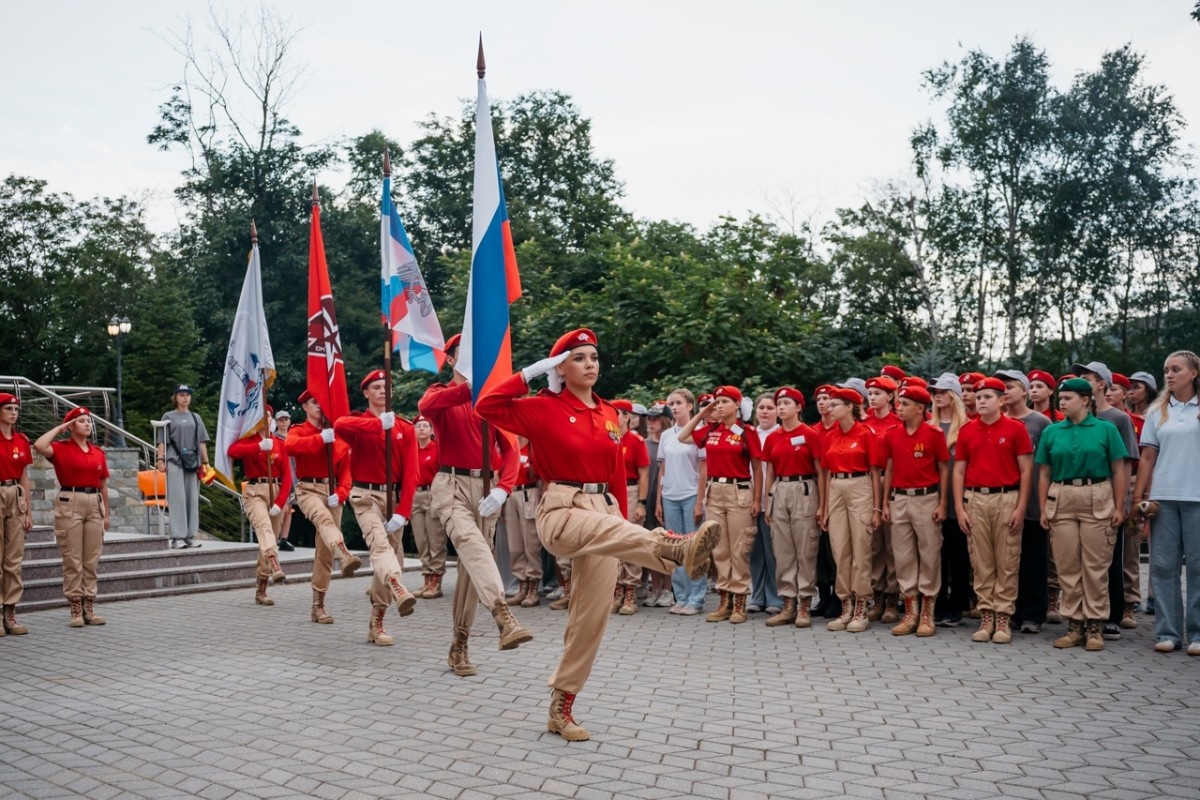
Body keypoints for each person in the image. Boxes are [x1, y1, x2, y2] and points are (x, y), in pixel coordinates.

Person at [475, 328, 720, 740]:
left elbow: (613, 476)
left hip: (605, 510)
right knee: (621, 541)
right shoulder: (543, 407)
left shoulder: (608, 413)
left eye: (593, 357)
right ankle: (672, 547)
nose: (590, 364)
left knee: (590, 618)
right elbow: (486, 406)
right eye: (578, 358)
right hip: (562, 508)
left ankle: (561, 707)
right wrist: (529, 374)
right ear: (560, 368)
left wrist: (624, 527)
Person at [417, 336, 531, 677]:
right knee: (471, 544)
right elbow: (426, 407)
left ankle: (460, 643)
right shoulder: (440, 393)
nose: (471, 358)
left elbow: (510, 449)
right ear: (451, 360)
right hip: (451, 484)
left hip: (485, 488)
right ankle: (502, 614)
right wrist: (472, 388)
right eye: (462, 354)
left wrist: (504, 488)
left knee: (471, 569)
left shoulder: (491, 402)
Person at [1035, 377, 1128, 651]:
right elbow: (1044, 473)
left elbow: (1119, 470)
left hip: (1097, 495)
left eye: (1068, 398)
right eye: (1061, 399)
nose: (1062, 403)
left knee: (1095, 565)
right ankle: (1074, 624)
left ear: (1086, 400)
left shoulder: (1106, 429)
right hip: (1061, 496)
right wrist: (1043, 508)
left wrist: (1119, 506)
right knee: (1067, 565)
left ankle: (1095, 624)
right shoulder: (1052, 431)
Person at [334, 370, 419, 646]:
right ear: (366, 393)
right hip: (365, 496)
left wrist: (403, 512)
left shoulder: (405, 428)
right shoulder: (359, 423)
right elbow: (339, 425)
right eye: (377, 387)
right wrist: (377, 425)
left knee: (393, 559)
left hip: (392, 498)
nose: (383, 391)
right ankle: (396, 586)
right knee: (380, 547)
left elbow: (412, 474)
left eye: (386, 386)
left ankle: (376, 621)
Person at [953, 377, 1033, 644]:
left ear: (1002, 400)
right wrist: (960, 508)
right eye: (979, 397)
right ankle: (986, 614)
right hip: (975, 499)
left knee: (1007, 560)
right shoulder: (967, 430)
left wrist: (1021, 508)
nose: (981, 401)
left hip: (1006, 498)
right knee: (981, 561)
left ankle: (1003, 617)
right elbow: (959, 471)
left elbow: (1026, 470)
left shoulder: (1015, 428)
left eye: (988, 397)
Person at [1131, 351, 1200, 655]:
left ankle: (1197, 634)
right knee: (1162, 567)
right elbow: (1147, 456)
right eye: (1166, 370)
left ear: (1194, 373)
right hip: (1164, 498)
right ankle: (1168, 633)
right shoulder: (1157, 411)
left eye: (1176, 369)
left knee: (1198, 567)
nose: (1169, 375)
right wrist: (1138, 497)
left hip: (1197, 497)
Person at [677, 385, 763, 624]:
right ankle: (725, 601)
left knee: (739, 547)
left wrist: (757, 499)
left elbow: (757, 467)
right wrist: (702, 413)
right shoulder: (711, 430)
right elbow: (683, 436)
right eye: (717, 401)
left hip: (739, 491)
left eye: (725, 401)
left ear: (737, 405)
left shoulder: (747, 432)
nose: (720, 405)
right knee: (720, 548)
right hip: (714, 491)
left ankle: (739, 601)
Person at [1070, 361, 1140, 642]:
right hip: (1078, 497)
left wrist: (1122, 503)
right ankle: (1080, 616)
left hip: (1108, 497)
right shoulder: (1073, 417)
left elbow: (1126, 463)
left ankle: (1110, 616)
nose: (1082, 381)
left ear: (1101, 384)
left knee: (1109, 560)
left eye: (1087, 377)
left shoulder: (1118, 419)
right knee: (1078, 558)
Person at [285, 390, 361, 624]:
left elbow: (346, 472)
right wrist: (320, 439)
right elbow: (290, 446)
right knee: (323, 519)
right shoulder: (299, 430)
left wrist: (341, 494)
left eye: (321, 402)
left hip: (331, 491)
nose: (318, 406)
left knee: (324, 552)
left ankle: (318, 604)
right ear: (305, 407)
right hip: (308, 489)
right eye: (313, 402)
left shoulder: (336, 433)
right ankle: (344, 552)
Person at [880, 385, 950, 637]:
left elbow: (944, 469)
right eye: (899, 403)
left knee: (929, 554)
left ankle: (928, 613)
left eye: (905, 404)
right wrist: (885, 502)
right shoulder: (892, 434)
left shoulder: (934, 434)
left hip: (926, 498)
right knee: (903, 556)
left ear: (920, 408)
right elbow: (889, 468)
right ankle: (910, 612)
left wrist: (942, 503)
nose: (899, 408)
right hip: (899, 498)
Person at [33, 407, 110, 627]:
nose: (87, 424)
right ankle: (75, 606)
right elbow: (39, 445)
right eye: (81, 421)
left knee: (91, 559)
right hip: (70, 501)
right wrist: (61, 428)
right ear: (71, 426)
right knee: (72, 558)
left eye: (89, 421)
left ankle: (89, 606)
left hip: (94, 503)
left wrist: (106, 513)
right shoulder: (61, 448)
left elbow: (104, 484)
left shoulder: (98, 452)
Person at [820, 385, 882, 633]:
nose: (829, 408)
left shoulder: (865, 433)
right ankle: (845, 606)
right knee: (840, 549)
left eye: (834, 404)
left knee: (861, 549)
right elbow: (826, 473)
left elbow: (875, 472)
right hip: (836, 486)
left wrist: (877, 508)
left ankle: (861, 607)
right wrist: (825, 506)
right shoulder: (830, 435)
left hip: (860, 486)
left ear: (849, 407)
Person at [760, 387, 824, 628]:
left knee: (805, 548)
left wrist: (822, 504)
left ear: (798, 407)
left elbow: (820, 471)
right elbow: (770, 472)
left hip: (804, 488)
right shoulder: (773, 437)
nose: (781, 407)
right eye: (779, 403)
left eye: (787, 403)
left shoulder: (809, 434)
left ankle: (805, 603)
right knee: (782, 549)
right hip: (780, 489)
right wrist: (768, 502)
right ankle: (788, 604)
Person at [995, 369, 1052, 635]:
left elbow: (1048, 464)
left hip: (1033, 505)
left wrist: (1046, 502)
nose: (1005, 391)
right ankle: (1011, 612)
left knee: (1035, 559)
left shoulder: (1040, 423)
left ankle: (1034, 614)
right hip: (1004, 503)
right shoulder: (996, 421)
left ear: (1024, 390)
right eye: (1002, 387)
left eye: (1010, 386)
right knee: (1008, 562)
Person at [227, 408, 294, 606]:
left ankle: (261, 589)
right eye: (263, 414)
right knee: (265, 530)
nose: (266, 418)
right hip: (255, 490)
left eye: (269, 415)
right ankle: (274, 561)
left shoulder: (280, 443)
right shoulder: (250, 439)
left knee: (269, 538)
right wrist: (258, 446)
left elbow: (288, 477)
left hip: (276, 492)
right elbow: (232, 451)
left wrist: (280, 502)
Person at [656, 389, 708, 616]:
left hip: (690, 495)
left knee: (695, 548)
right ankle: (681, 596)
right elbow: (662, 469)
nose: (674, 407)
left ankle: (696, 598)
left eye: (678, 403)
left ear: (689, 406)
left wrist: (699, 501)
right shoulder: (666, 436)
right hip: (670, 496)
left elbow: (704, 470)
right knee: (676, 549)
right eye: (671, 404)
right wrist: (659, 501)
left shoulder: (699, 433)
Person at [929, 374, 972, 627]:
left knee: (958, 553)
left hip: (960, 500)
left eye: (943, 391)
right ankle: (938, 603)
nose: (937, 395)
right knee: (936, 554)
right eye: (934, 392)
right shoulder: (929, 426)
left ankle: (957, 605)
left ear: (954, 396)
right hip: (931, 498)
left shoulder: (967, 427)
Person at [862, 377, 903, 623]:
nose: (872, 397)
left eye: (878, 393)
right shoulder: (864, 425)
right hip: (868, 484)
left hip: (892, 483)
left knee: (893, 545)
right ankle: (876, 597)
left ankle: (892, 599)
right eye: (870, 393)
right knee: (874, 545)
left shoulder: (898, 424)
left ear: (890, 397)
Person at [609, 399, 651, 616]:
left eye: (617, 413)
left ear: (627, 417)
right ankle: (617, 589)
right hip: (611, 492)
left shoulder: (636, 441)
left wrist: (642, 503)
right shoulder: (608, 438)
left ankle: (631, 592)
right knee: (614, 542)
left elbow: (644, 475)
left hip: (631, 490)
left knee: (631, 541)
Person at [157, 384, 210, 549]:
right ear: (176, 397)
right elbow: (162, 440)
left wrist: (206, 463)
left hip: (192, 462)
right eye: (181, 394)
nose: (185, 397)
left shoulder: (196, 417)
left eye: (187, 395)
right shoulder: (168, 416)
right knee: (177, 498)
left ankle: (190, 535)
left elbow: (201, 441)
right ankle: (177, 536)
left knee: (192, 498)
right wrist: (160, 459)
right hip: (174, 460)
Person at [0, 393, 33, 636]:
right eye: (8, 408)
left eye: (16, 409)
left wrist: (28, 511)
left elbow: (24, 476)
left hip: (15, 494)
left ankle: (9, 613)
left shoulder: (22, 440)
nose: (14, 413)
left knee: (13, 559)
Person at [749, 393, 782, 615]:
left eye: (770, 408)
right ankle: (757, 595)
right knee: (755, 551)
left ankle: (775, 597)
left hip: (773, 499)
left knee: (773, 552)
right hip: (751, 499)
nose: (765, 411)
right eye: (761, 407)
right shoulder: (750, 434)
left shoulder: (780, 434)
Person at [410, 414, 448, 600]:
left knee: (436, 539)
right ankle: (426, 577)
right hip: (415, 495)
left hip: (433, 494)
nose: (422, 429)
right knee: (421, 539)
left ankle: (436, 580)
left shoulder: (438, 449)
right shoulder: (410, 451)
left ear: (432, 430)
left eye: (425, 425)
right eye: (418, 426)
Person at [642, 404, 675, 607]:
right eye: (649, 418)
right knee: (651, 546)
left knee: (667, 545)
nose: (651, 422)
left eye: (655, 418)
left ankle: (667, 589)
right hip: (647, 500)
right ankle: (654, 587)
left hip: (666, 498)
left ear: (665, 420)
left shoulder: (671, 443)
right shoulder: (644, 444)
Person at [504, 436, 543, 608]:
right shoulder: (509, 447)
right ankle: (522, 585)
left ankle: (533, 587)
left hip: (529, 494)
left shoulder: (533, 447)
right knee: (515, 545)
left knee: (531, 544)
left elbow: (541, 474)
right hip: (510, 494)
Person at [273, 409, 296, 552]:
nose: (284, 422)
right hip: (279, 477)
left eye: (286, 419)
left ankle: (284, 538)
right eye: (281, 420)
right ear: (276, 422)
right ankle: (273, 537)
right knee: (279, 507)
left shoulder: (293, 437)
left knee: (289, 509)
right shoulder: (274, 438)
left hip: (293, 476)